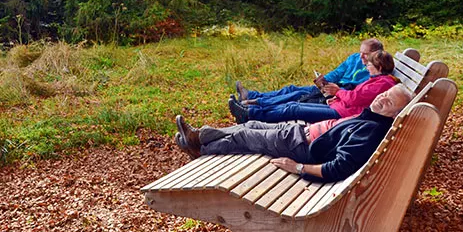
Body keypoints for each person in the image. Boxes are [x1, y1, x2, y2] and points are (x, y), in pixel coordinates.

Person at [174, 83, 413, 182]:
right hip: (301, 131)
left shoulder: (371, 131)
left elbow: (340, 167)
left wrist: (297, 167)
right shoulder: (371, 116)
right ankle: (200, 136)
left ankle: (200, 149)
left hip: (301, 146)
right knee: (250, 126)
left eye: (389, 101)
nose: (382, 98)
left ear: (395, 114)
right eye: (384, 94)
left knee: (246, 137)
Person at [229, 50, 398, 124]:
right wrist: (336, 94)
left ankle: (250, 113)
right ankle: (251, 108)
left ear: (380, 67)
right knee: (293, 102)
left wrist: (338, 91)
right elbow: (354, 95)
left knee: (293, 108)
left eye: (369, 63)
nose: (366, 65)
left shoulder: (382, 83)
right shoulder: (378, 79)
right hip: (338, 105)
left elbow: (355, 98)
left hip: (341, 113)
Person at [235, 38, 384, 107]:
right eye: (360, 52)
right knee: (292, 88)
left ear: (376, 54)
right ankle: (251, 95)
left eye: (365, 54)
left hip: (339, 93)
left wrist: (336, 90)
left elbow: (359, 92)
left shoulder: (375, 70)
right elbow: (338, 72)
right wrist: (323, 79)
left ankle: (254, 103)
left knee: (297, 95)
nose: (361, 56)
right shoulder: (354, 58)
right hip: (332, 86)